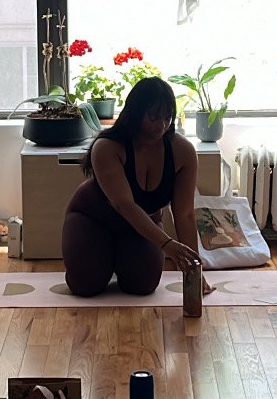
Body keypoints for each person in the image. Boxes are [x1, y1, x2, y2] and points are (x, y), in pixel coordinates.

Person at [61, 75, 203, 297]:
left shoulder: (182, 151)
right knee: (85, 285)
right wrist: (166, 244)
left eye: (167, 118)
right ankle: (103, 257)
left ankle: (120, 257)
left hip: (143, 225)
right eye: (153, 117)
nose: (161, 125)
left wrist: (195, 270)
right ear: (136, 113)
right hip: (94, 219)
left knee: (143, 285)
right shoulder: (107, 147)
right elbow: (125, 205)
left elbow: (184, 214)